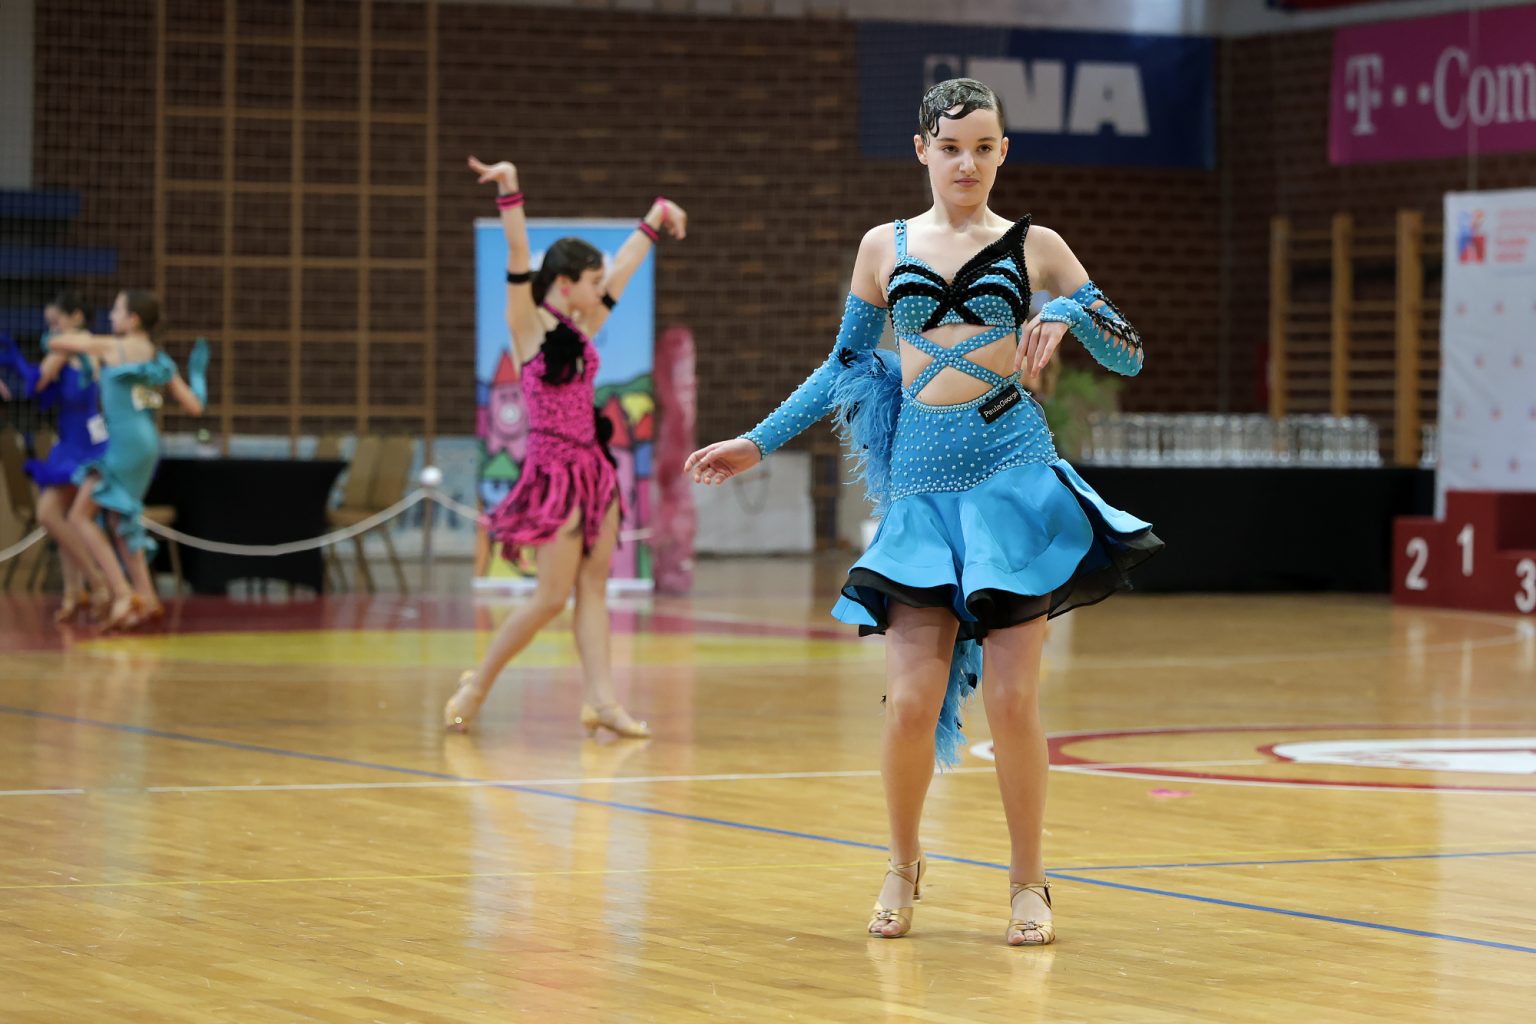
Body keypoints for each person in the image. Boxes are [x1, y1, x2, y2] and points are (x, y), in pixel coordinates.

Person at [685, 79, 1162, 946]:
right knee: (910, 703)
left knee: (1013, 701)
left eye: (982, 147)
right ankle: (903, 864)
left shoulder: (1037, 245)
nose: (966, 163)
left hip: (1014, 480)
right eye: (949, 148)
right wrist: (757, 441)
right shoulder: (884, 245)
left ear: (1003, 151)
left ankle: (1029, 881)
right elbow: (843, 366)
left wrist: (1068, 308)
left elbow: (1127, 354)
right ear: (922, 151)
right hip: (919, 493)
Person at [444, 156, 686, 737]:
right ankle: (477, 685)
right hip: (553, 474)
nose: (602, 288)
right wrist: (510, 190)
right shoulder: (528, 326)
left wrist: (655, 216)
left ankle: (602, 701)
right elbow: (517, 254)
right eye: (593, 281)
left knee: (594, 588)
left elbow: (623, 269)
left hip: (594, 472)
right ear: (565, 283)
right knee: (550, 598)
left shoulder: (583, 328)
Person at [47, 290, 207, 630]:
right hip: (146, 444)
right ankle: (146, 598)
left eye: (117, 310)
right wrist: (198, 374)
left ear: (133, 319)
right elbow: (195, 406)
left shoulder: (111, 346)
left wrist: (67, 332)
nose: (111, 315)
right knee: (121, 521)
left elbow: (56, 344)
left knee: (79, 516)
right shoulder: (158, 357)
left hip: (123, 445)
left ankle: (122, 592)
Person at [0, 292, 110, 620]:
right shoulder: (86, 345)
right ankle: (74, 592)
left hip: (80, 447)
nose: (51, 330)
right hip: (77, 441)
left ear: (76, 317)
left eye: (55, 322)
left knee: (49, 514)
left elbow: (35, 385)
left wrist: (15, 360)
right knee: (61, 517)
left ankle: (97, 582)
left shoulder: (67, 347)